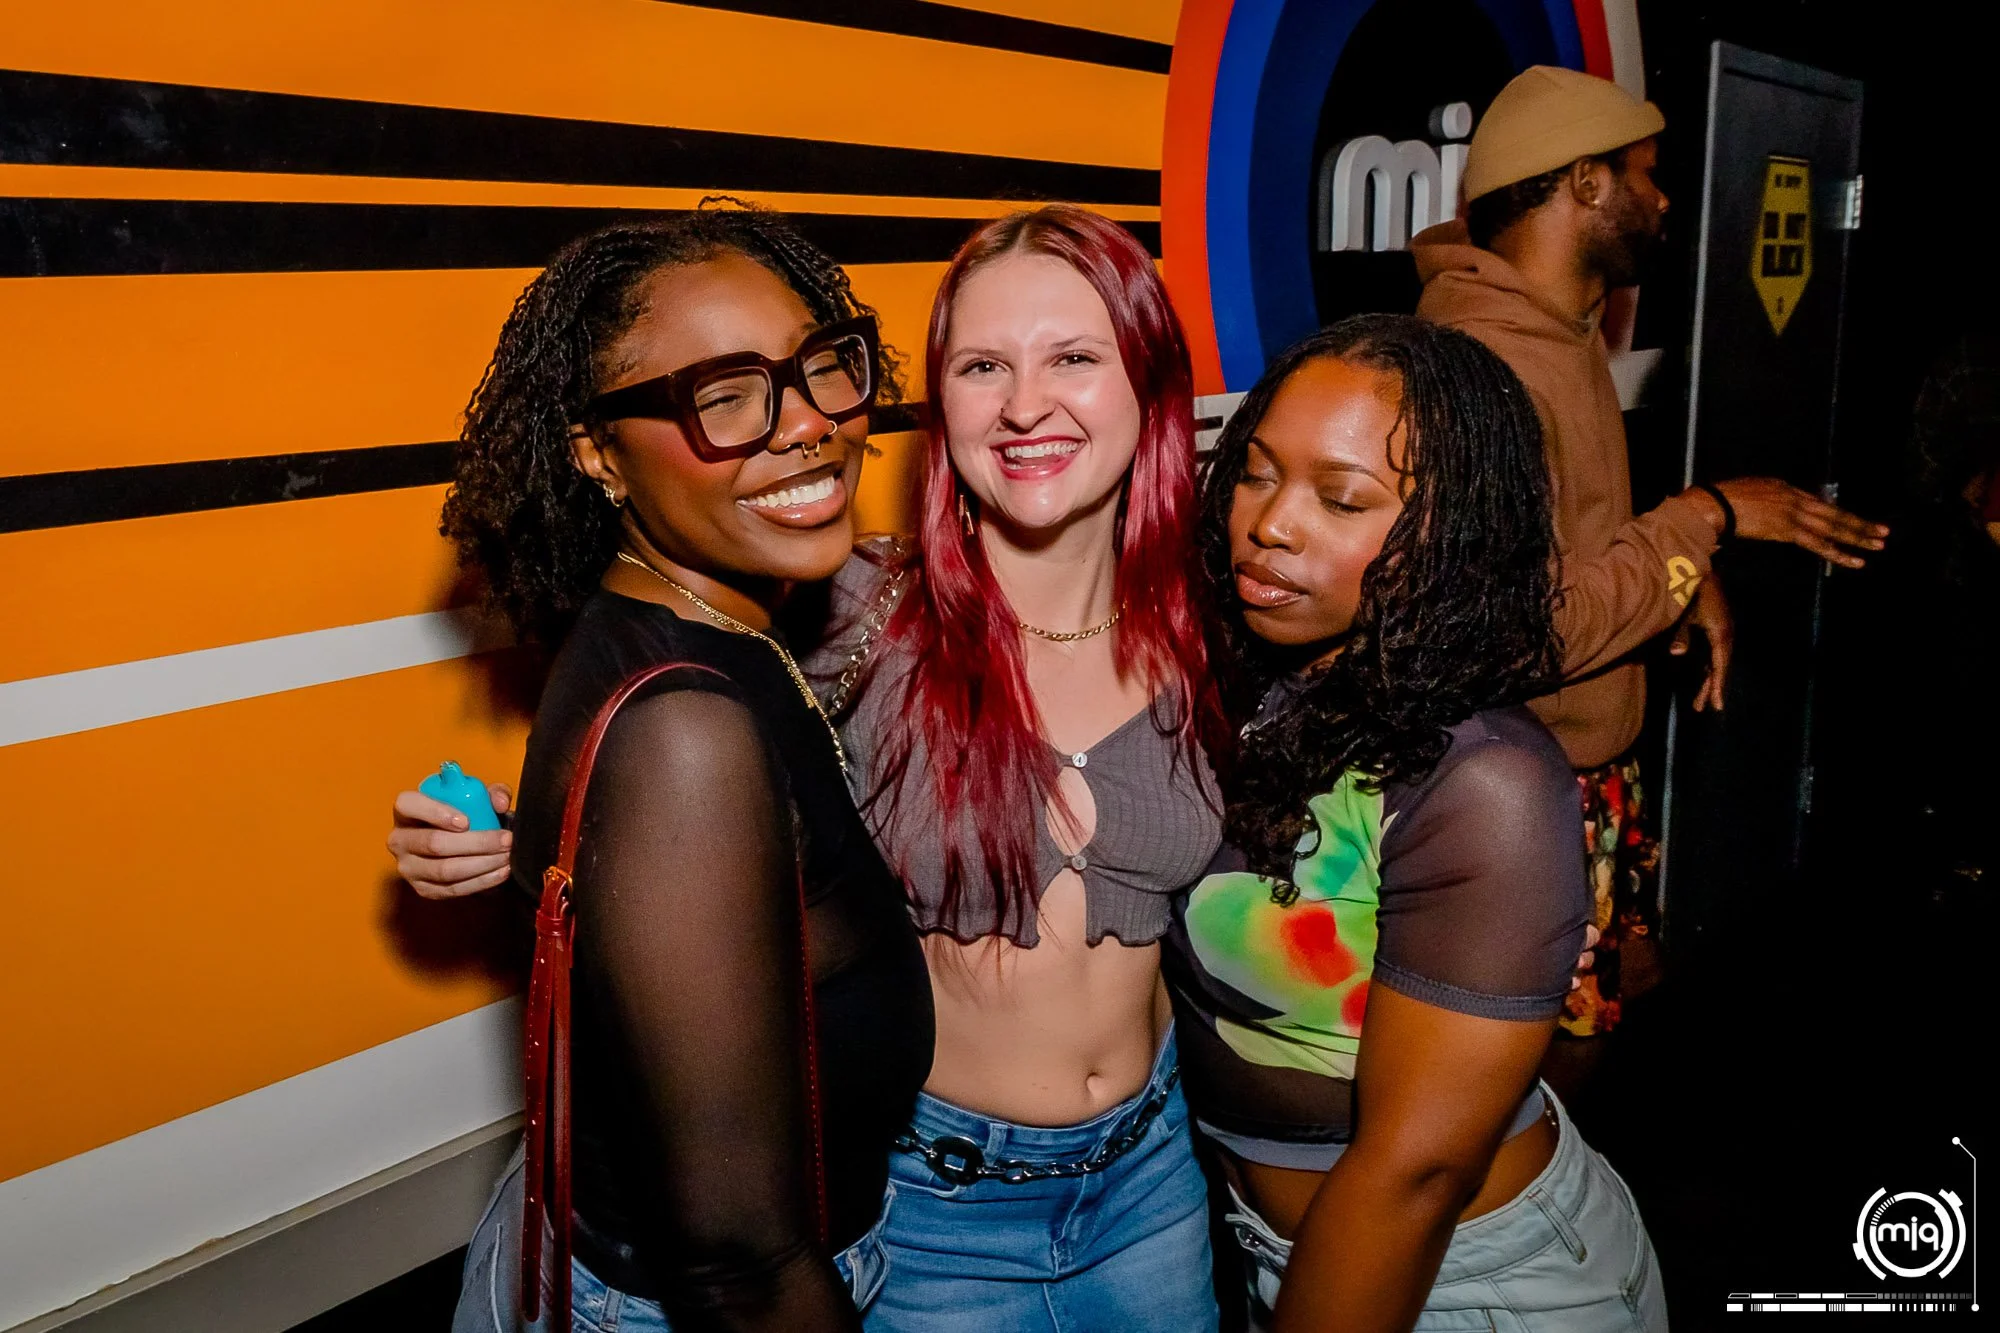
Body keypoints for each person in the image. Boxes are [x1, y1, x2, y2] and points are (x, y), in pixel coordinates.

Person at [395, 206, 1228, 1332]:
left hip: (1150, 1179)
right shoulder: (853, 609)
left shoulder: (1209, 625)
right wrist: (520, 840)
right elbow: (671, 773)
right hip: (931, 1206)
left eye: (1074, 357)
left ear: (1150, 381)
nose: (1026, 404)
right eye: (983, 365)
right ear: (938, 404)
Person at [438, 209, 934, 1332]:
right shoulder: (685, 733)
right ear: (597, 452)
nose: (806, 424)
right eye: (723, 396)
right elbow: (739, 1270)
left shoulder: (704, 630)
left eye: (821, 365)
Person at [1166, 314, 1667, 1331]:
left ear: (1446, 531)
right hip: (1276, 1252)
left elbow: (1415, 1171)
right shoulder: (1268, 686)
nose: (1271, 523)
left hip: (1473, 1286)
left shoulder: (1486, 776)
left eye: (1341, 498)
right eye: (1255, 473)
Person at [1409, 65, 1890, 1034]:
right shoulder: (1488, 366)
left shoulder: (1557, 326)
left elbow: (1565, 539)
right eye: (1645, 171)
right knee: (1529, 1061)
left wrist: (1676, 578)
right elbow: (1528, 633)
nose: (1662, 198)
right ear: (1585, 181)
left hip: (1581, 766)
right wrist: (1704, 517)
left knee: (1612, 1013)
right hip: (1515, 789)